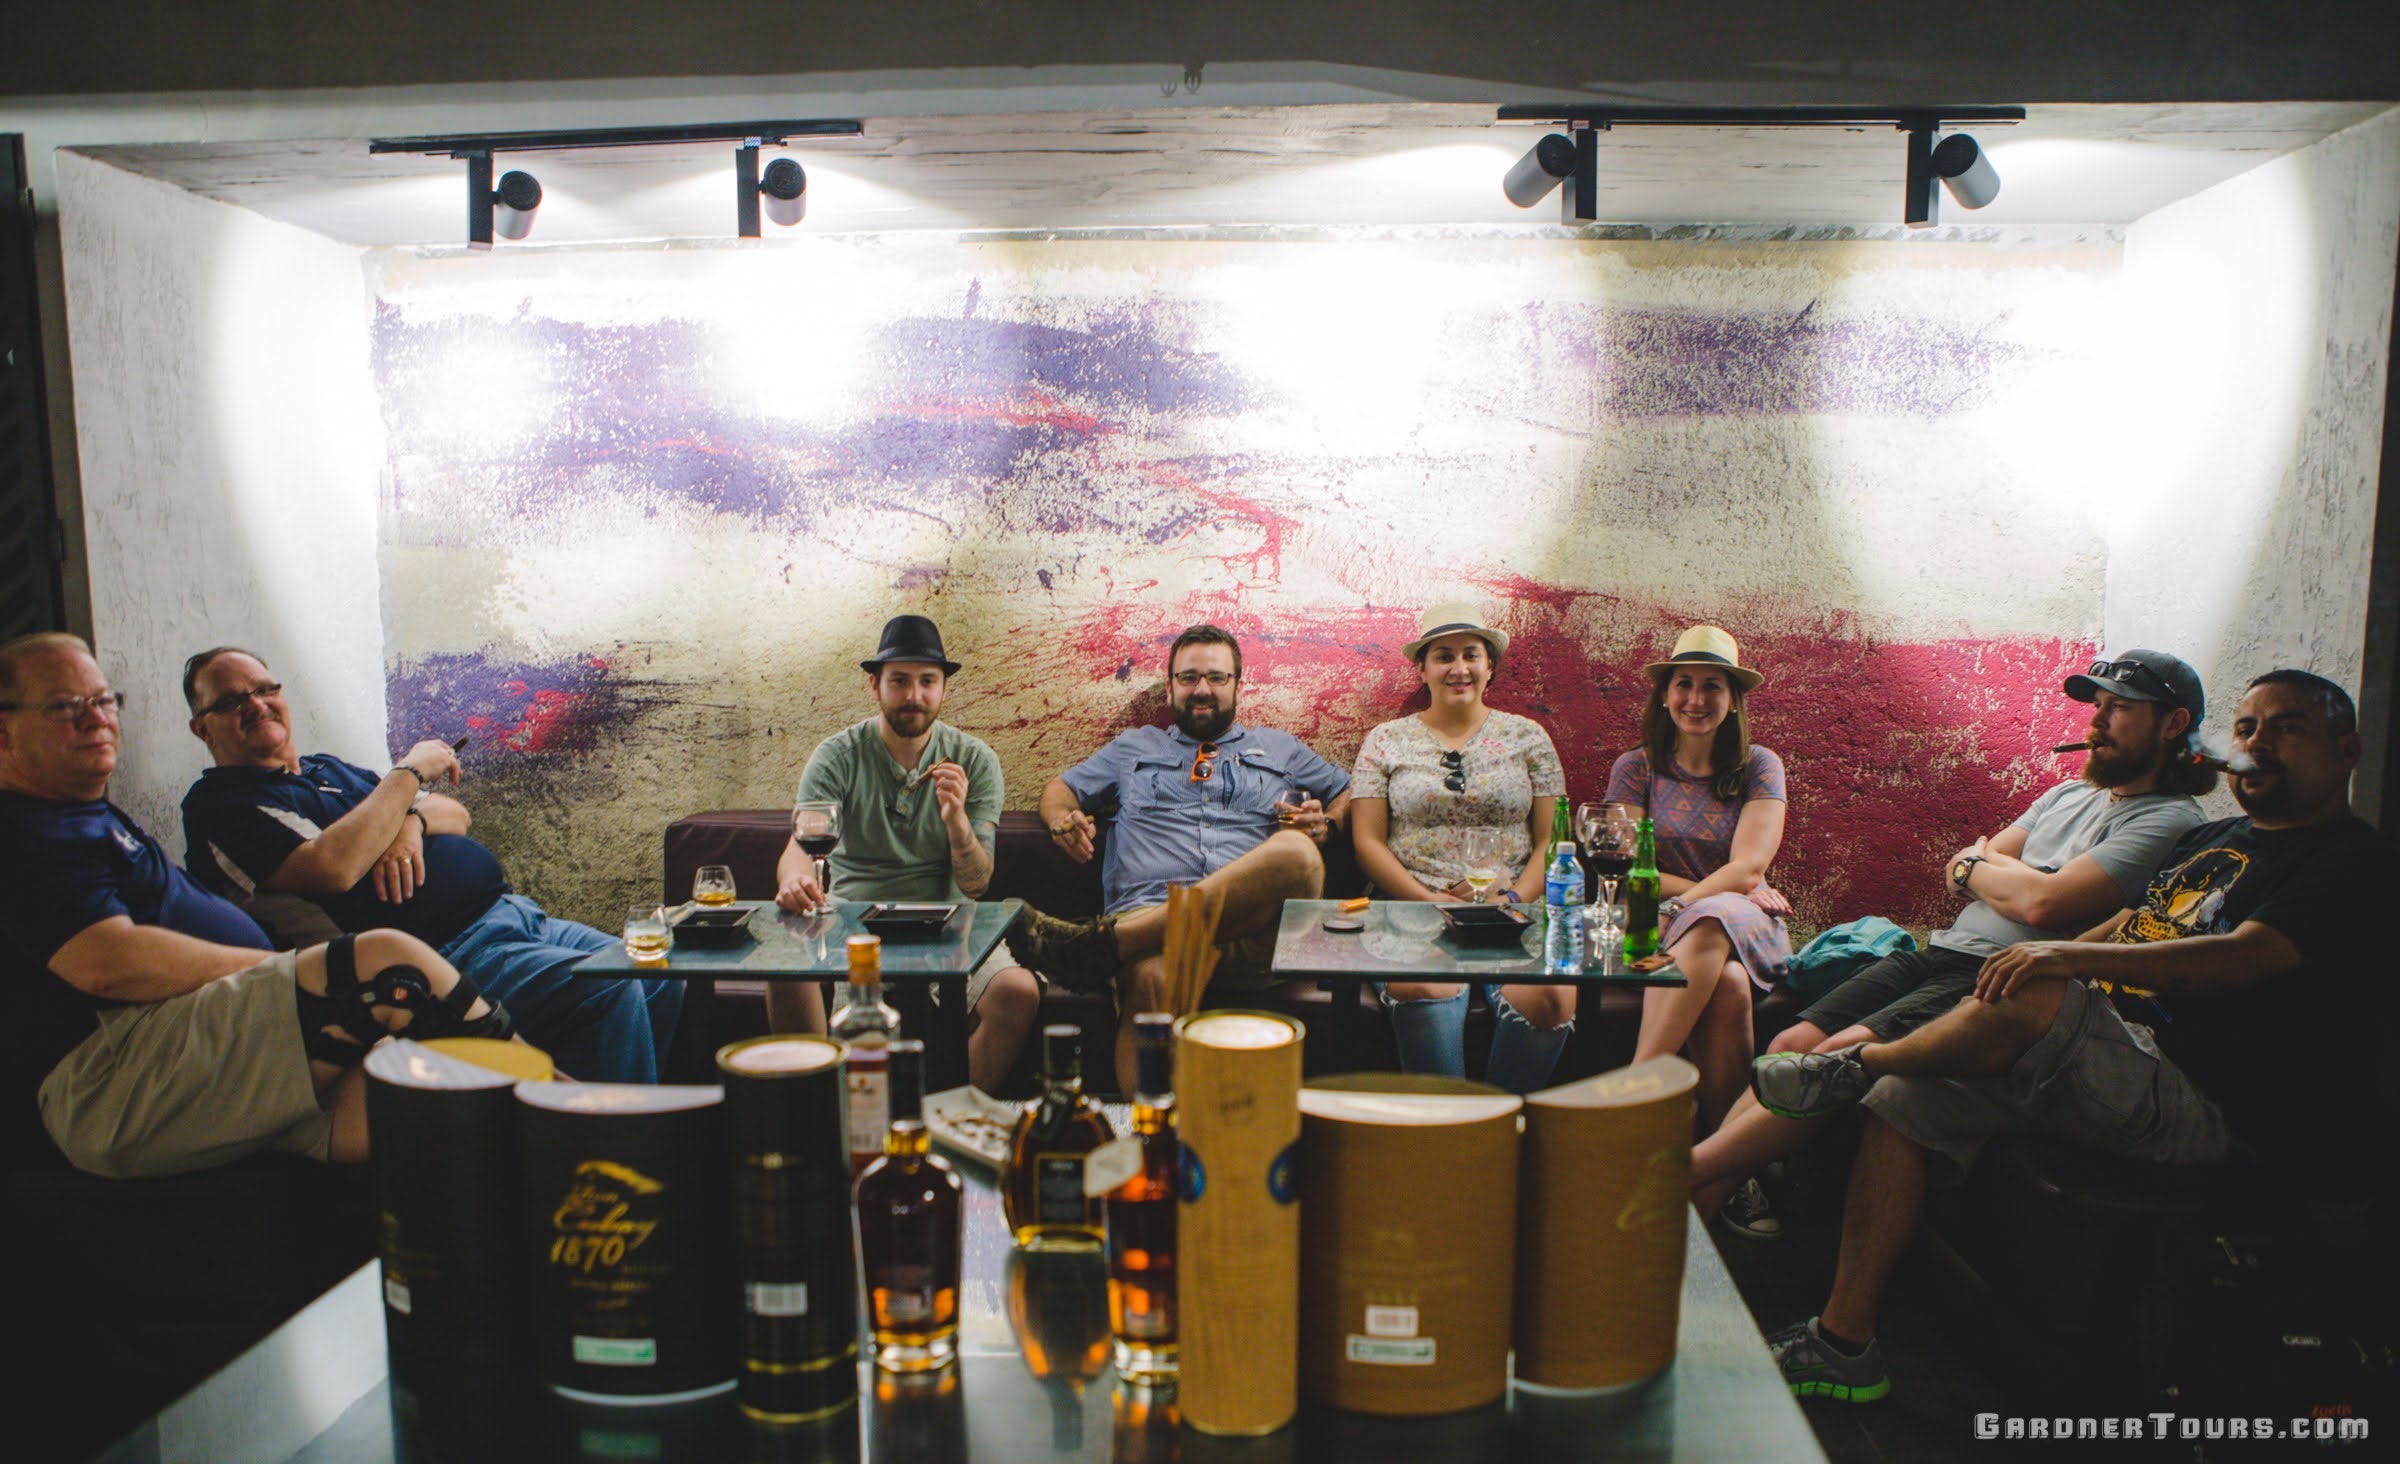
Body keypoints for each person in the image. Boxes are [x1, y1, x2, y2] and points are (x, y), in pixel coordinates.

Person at [1748, 670, 2386, 1404]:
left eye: (2288, 728)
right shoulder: (2217, 836)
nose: (2258, 743)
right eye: (2247, 728)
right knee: (1907, 1096)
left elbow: (2243, 955)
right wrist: (2065, 957)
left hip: (2203, 1100)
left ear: (2348, 750)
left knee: (2030, 987)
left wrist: (2063, 958)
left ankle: (1854, 1066)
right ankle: (1844, 1342)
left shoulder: (2349, 860)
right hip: (2115, 1055)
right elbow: (2132, 924)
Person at [1691, 650, 2212, 1239]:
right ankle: (1711, 1212)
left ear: (2173, 725)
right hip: (1940, 951)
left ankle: (1681, 1212)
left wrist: (1995, 874)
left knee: (1830, 1056)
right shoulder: (2068, 797)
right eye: (2099, 706)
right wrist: (1996, 874)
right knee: (1790, 1041)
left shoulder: (2172, 821)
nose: (2096, 722)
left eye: (2120, 710)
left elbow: (2047, 906)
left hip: (1995, 977)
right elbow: (1958, 866)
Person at [1, 633, 512, 1178]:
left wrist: (409, 820)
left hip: (183, 1042)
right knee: (389, 967)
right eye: (63, 706)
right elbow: (106, 962)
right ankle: (582, 1126)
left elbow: (449, 816)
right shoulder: (21, 829)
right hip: (115, 1077)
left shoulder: (82, 818)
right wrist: (296, 975)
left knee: (430, 1093)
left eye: (104, 700)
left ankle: (556, 1192)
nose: (96, 718)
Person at [178, 647, 681, 1083]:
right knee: (613, 988)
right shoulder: (219, 804)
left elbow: (454, 814)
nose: (256, 705)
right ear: (203, 727)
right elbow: (334, 866)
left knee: (661, 970)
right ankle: (619, 1148)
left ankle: (609, 1117)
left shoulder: (327, 770)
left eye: (265, 689)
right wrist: (410, 772)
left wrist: (407, 823)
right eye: (231, 701)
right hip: (442, 958)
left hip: (515, 915)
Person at [1010, 624, 1350, 1095]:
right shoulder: (1133, 747)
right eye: (1188, 678)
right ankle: (1155, 1143)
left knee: (1297, 852)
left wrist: (1328, 823)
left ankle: (1106, 945)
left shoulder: (1281, 748)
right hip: (1154, 925)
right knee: (1152, 978)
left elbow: (1349, 788)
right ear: (1169, 686)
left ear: (1237, 685)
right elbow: (1061, 789)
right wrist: (1062, 821)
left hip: (1253, 932)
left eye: (1216, 677)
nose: (1202, 690)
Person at [770, 615, 1042, 1091]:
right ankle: (823, 1110)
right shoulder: (838, 755)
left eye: (927, 682)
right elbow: (800, 843)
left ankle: (943, 1126)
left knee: (1018, 993)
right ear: (875, 685)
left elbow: (978, 883)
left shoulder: (974, 760)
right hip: (853, 919)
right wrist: (794, 880)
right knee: (783, 969)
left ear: (943, 690)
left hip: (951, 922)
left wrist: (957, 819)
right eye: (900, 681)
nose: (914, 696)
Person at [1348, 602, 1575, 1092]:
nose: (1459, 668)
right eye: (1443, 656)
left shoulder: (1527, 736)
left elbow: (1553, 839)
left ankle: (1501, 1127)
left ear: (1489, 667)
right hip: (1414, 911)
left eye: (1471, 655)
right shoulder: (1385, 740)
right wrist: (1428, 901)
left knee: (1554, 996)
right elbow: (1367, 841)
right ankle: (1453, 1137)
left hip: (1512, 915)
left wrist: (1514, 900)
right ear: (1423, 669)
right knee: (1424, 984)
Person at [1604, 625, 1791, 1135]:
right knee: (1727, 986)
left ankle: (1634, 1089)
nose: (1696, 698)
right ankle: (1729, 1165)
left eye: (1713, 686)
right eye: (1684, 683)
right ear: (1664, 696)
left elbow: (1749, 869)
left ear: (1733, 701)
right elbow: (1621, 870)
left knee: (1713, 918)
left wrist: (1687, 899)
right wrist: (1722, 887)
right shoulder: (1635, 769)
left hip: (1740, 925)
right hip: (1659, 928)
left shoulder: (1760, 766)